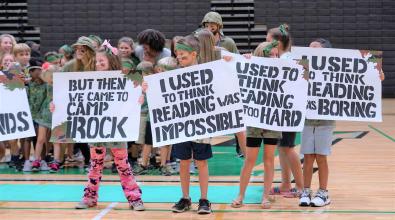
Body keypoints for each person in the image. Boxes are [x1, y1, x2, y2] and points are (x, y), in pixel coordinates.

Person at [51, 41, 145, 210]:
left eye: (102, 61)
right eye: (96, 61)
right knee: (95, 164)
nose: (99, 64)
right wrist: (56, 105)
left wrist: (139, 97)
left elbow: (134, 99)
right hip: (96, 129)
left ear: (111, 61)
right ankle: (90, 197)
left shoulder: (124, 79)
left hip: (117, 128)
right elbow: (69, 100)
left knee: (123, 164)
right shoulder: (88, 80)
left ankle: (134, 197)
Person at [231, 41, 281, 209]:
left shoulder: (282, 70)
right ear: (261, 55)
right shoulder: (251, 67)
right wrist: (245, 60)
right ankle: (240, 194)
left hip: (273, 120)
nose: (274, 57)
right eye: (270, 54)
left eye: (276, 54)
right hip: (255, 121)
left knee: (269, 160)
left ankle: (265, 196)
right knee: (249, 160)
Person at [266, 24, 304, 197]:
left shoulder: (289, 59)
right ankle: (285, 184)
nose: (266, 44)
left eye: (268, 41)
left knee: (288, 147)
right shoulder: (280, 57)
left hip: (289, 110)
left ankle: (302, 187)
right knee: (282, 147)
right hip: (280, 110)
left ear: (278, 42)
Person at [22, 59, 46, 172]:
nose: (37, 72)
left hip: (42, 115)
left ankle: (42, 160)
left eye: (39, 70)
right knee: (28, 138)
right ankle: (27, 161)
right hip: (29, 115)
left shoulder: (46, 84)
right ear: (30, 72)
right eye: (34, 70)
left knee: (41, 139)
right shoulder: (27, 85)